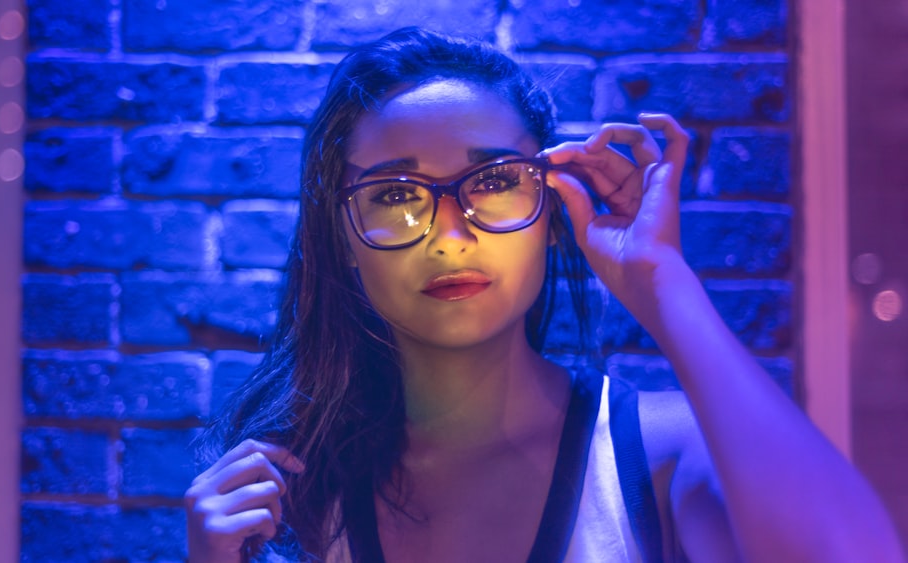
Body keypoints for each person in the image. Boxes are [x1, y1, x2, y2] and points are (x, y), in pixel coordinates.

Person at [185, 27, 904, 562]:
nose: (450, 233)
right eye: (397, 194)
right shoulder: (296, 502)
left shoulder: (653, 454)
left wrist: (662, 283)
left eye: (494, 182)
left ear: (553, 210)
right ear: (342, 236)